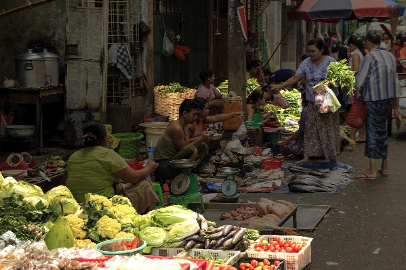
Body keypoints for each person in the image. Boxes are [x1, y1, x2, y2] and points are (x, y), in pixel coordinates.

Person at [63, 121, 159, 213]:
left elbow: (63, 184)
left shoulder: (73, 157)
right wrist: (149, 166)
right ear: (105, 138)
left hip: (77, 206)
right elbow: (135, 178)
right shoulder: (108, 155)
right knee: (144, 186)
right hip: (103, 208)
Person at [274, 38, 340, 162]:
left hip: (327, 102)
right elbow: (295, 78)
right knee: (310, 128)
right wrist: (280, 87)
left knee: (328, 128)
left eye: (313, 51)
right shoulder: (305, 63)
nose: (311, 54)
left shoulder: (331, 62)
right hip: (312, 102)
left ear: (321, 50)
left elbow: (339, 79)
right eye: (309, 51)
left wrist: (328, 84)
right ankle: (308, 155)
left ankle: (331, 156)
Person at [355, 31, 398, 180]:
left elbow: (360, 81)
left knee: (372, 131)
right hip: (386, 100)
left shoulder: (370, 57)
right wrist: (396, 105)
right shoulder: (390, 56)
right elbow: (395, 81)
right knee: (382, 131)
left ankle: (372, 170)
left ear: (368, 41)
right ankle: (384, 167)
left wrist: (357, 94)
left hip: (372, 99)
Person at [154, 99, 210, 184]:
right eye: (193, 114)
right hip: (163, 166)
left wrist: (202, 138)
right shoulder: (176, 127)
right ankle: (182, 176)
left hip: (173, 161)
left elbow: (187, 143)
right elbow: (184, 150)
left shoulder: (185, 126)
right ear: (184, 114)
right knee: (192, 150)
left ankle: (188, 172)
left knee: (203, 146)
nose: (195, 118)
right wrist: (200, 138)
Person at [347, 35, 366, 142]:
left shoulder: (355, 55)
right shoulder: (359, 53)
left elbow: (356, 70)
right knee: (358, 109)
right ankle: (361, 134)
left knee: (357, 110)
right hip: (358, 84)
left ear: (352, 45)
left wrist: (345, 75)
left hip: (356, 85)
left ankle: (354, 135)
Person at [280, 91, 307, 157]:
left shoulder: (305, 110)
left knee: (283, 146)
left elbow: (301, 131)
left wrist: (288, 139)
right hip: (322, 146)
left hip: (308, 146)